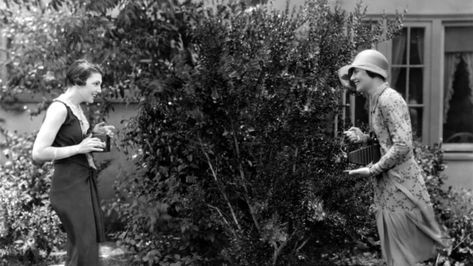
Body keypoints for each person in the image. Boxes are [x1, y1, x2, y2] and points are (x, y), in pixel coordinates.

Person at [338, 49, 449, 266]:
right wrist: (364, 139)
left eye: (356, 72)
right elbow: (388, 141)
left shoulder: (389, 99)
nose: (352, 78)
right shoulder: (376, 100)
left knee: (410, 254)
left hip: (402, 186)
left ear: (372, 72)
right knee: (398, 255)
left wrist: (372, 170)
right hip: (388, 187)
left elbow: (402, 146)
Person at [32, 59, 115, 266]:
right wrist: (79, 148)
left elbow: (73, 139)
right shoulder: (59, 108)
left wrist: (94, 133)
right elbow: (38, 153)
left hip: (83, 181)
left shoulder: (77, 107)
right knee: (84, 245)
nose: (99, 89)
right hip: (68, 186)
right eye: (95, 84)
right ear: (78, 81)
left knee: (84, 246)